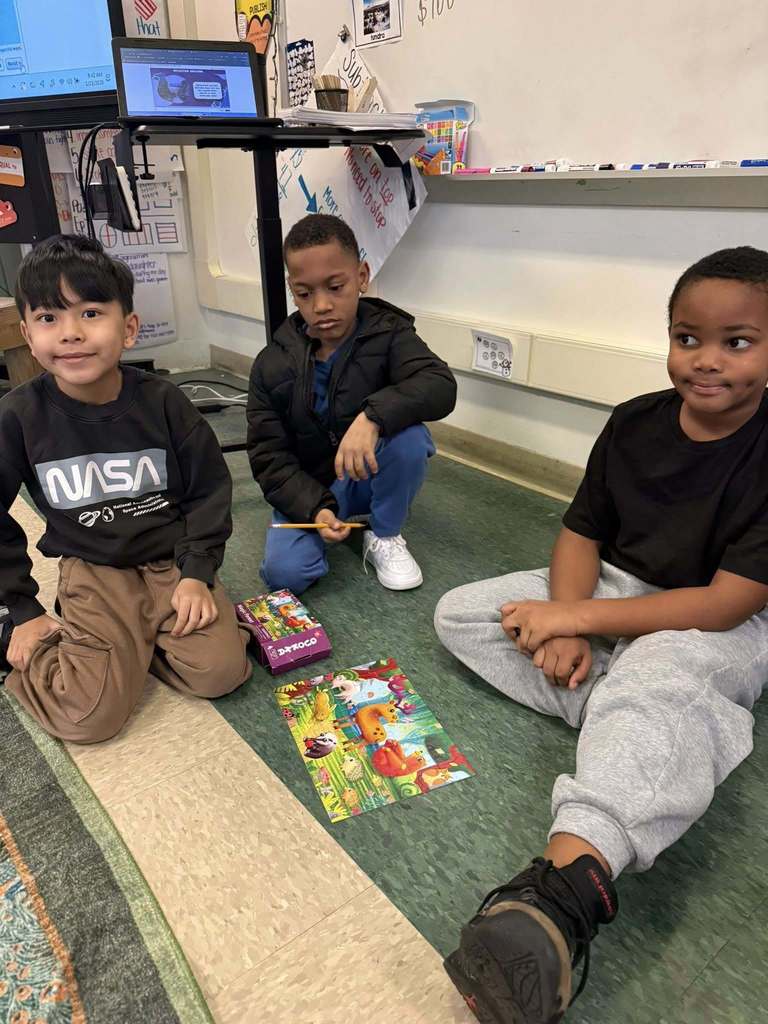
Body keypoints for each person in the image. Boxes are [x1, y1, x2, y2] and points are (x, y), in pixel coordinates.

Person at [434, 246, 768, 1023]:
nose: (706, 360)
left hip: (728, 620)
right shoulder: (633, 422)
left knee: (673, 666)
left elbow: (722, 606)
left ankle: (561, 895)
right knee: (463, 613)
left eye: (737, 342)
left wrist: (572, 619)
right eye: (687, 338)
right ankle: (640, 722)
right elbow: (581, 533)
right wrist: (568, 616)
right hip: (619, 593)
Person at [0, 234, 251, 743]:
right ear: (28, 335)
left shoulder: (165, 403)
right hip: (93, 569)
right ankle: (43, 640)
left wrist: (197, 574)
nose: (70, 333)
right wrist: (22, 609)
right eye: (49, 318)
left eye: (91, 313)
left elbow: (208, 490)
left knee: (221, 673)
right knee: (87, 718)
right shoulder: (18, 416)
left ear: (129, 327)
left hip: (171, 562)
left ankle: (131, 644)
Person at [247, 213, 456, 594]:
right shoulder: (270, 363)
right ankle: (329, 515)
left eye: (336, 286)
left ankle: (384, 532)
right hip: (309, 489)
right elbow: (268, 458)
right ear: (292, 291)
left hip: (365, 474)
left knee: (409, 436)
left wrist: (373, 416)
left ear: (361, 276)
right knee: (285, 576)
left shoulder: (390, 334)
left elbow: (440, 385)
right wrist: (314, 509)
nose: (321, 305)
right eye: (305, 293)